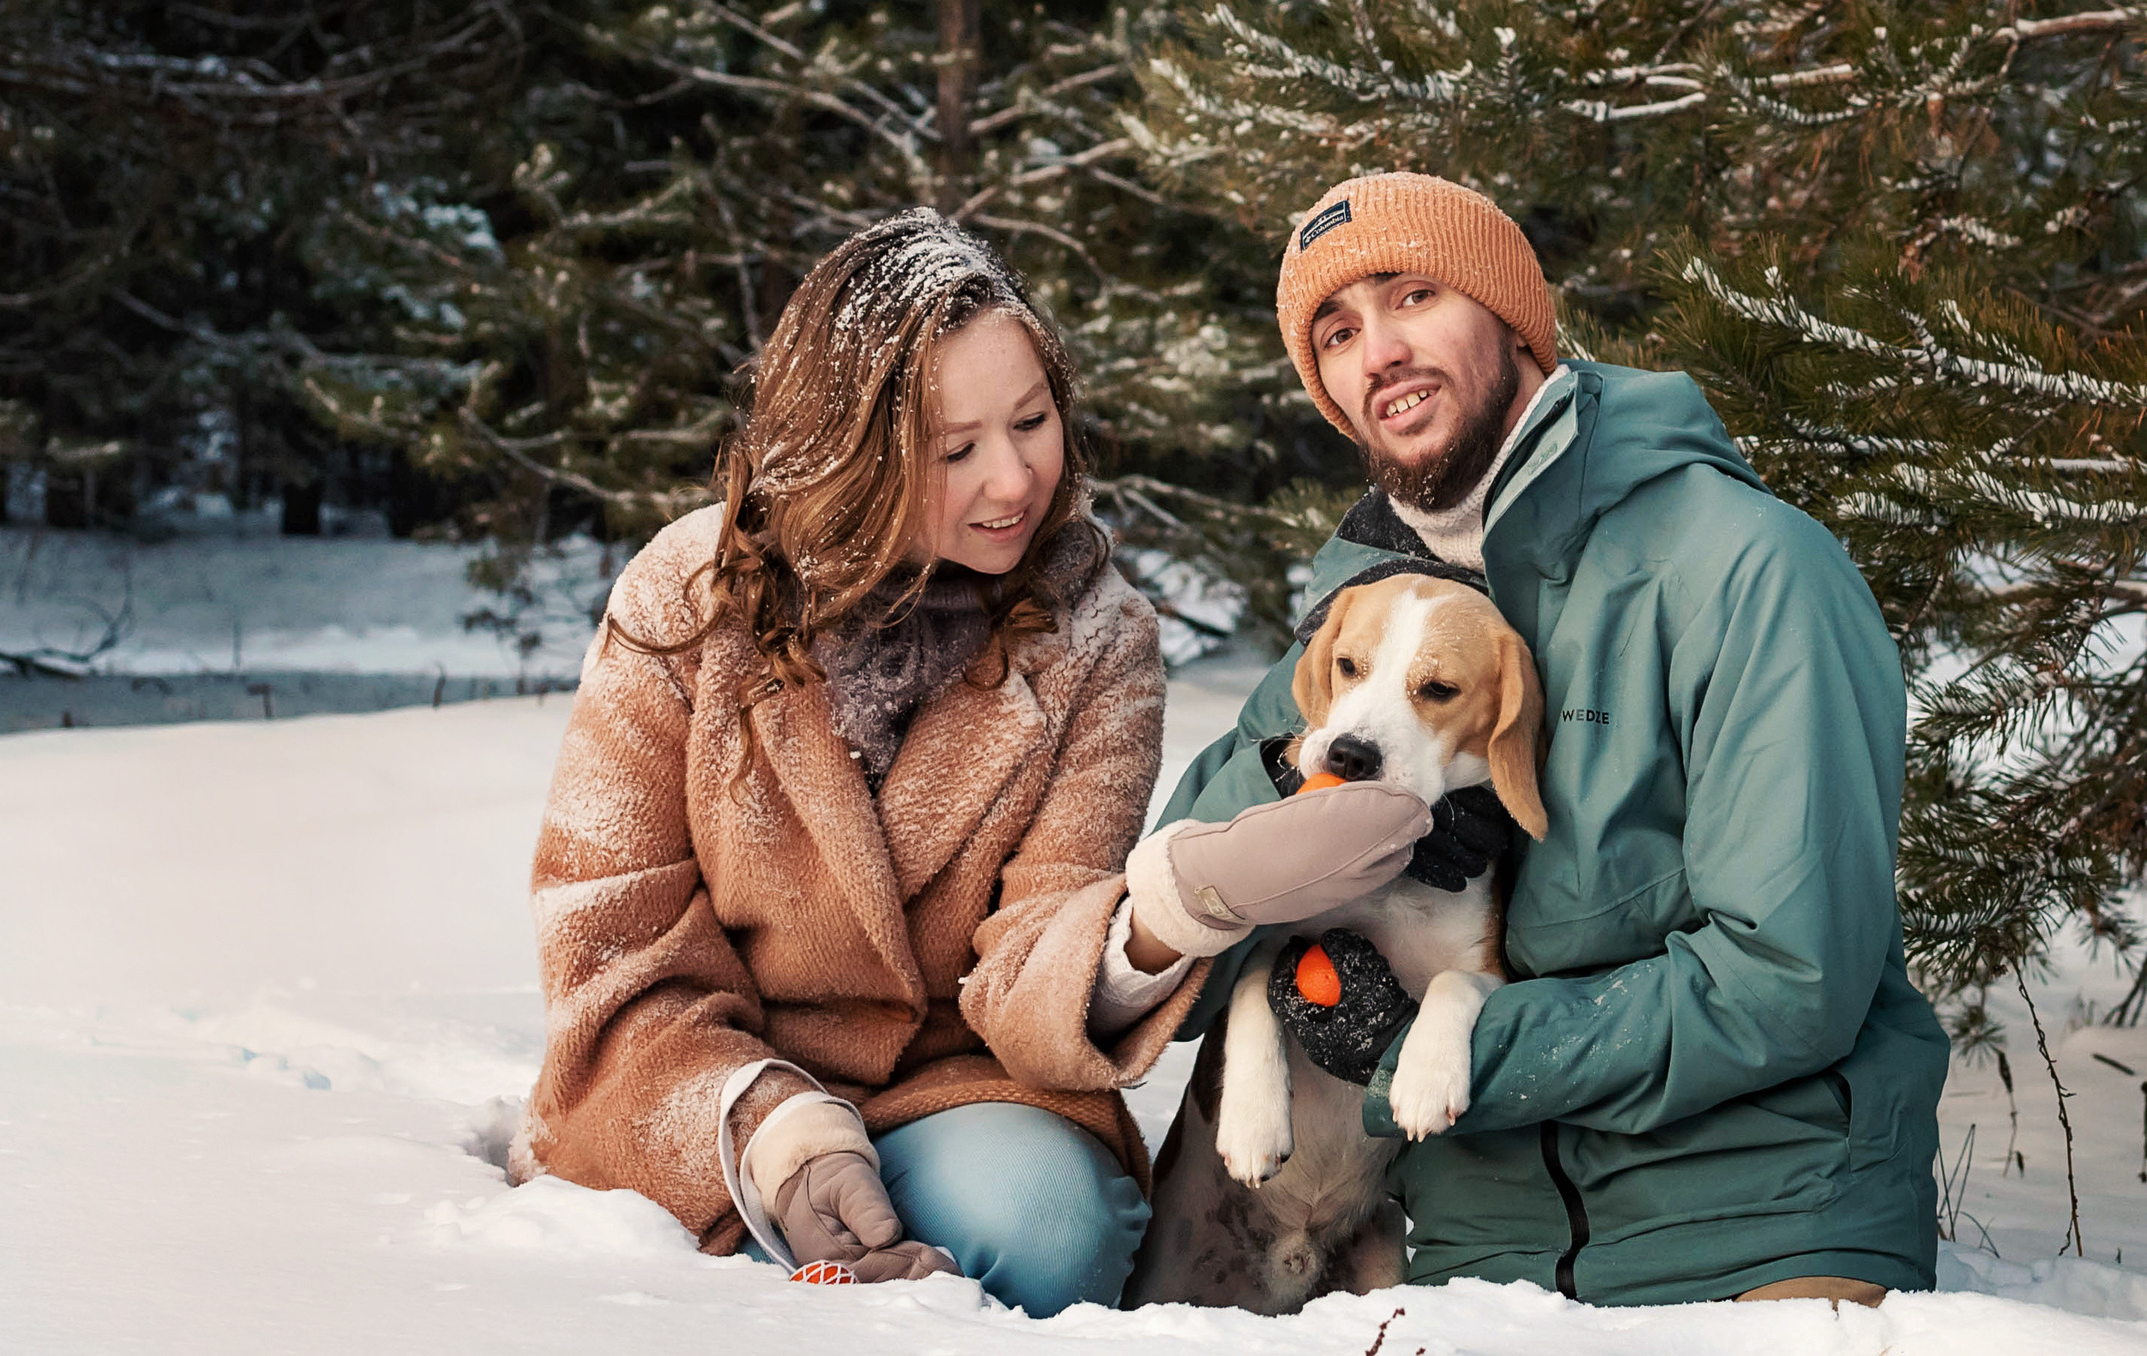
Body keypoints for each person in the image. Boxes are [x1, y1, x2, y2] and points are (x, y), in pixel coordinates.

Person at [513, 213, 1439, 1315]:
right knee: (704, 1230)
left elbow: (1027, 957)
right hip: (706, 1092)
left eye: (1032, 422)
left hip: (949, 1098)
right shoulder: (682, 599)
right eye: (953, 450)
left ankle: (854, 1284)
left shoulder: (1097, 639)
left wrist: (1176, 909)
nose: (1012, 481)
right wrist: (783, 1137)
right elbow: (610, 945)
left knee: (1056, 1232)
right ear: (850, 456)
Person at [1130, 172, 1952, 1307]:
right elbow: (1171, 922)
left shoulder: (1748, 569)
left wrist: (1451, 1038)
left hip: (1753, 1228)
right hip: (1481, 1260)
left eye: (1413, 295)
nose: (1378, 353)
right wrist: (1293, 789)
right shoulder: (1369, 604)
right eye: (1336, 332)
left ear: (1511, 316)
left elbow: (1790, 979)